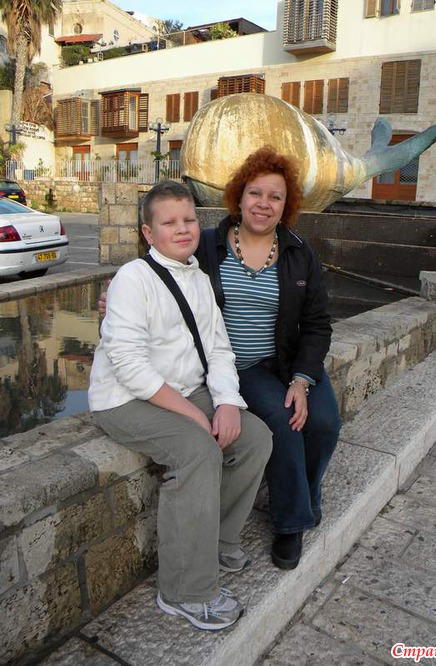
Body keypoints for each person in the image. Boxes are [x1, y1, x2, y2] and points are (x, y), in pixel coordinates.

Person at [89, 181, 272, 631]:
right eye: (169, 222)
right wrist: (193, 415)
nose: (183, 228)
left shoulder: (199, 277)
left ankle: (216, 541)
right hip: (126, 399)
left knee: (255, 437)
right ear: (148, 233)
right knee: (197, 450)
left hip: (187, 390)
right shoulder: (133, 279)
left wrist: (226, 403)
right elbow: (128, 365)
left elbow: (219, 349)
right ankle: (184, 590)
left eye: (189, 219)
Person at [195, 146, 341, 570]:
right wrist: (118, 294)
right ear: (239, 197)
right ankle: (291, 521)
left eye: (275, 196)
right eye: (255, 193)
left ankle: (307, 492)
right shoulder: (207, 246)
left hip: (289, 361)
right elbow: (160, 272)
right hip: (239, 367)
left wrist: (301, 379)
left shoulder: (298, 253)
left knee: (325, 422)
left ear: (285, 204)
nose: (264, 203)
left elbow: (317, 323)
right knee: (285, 420)